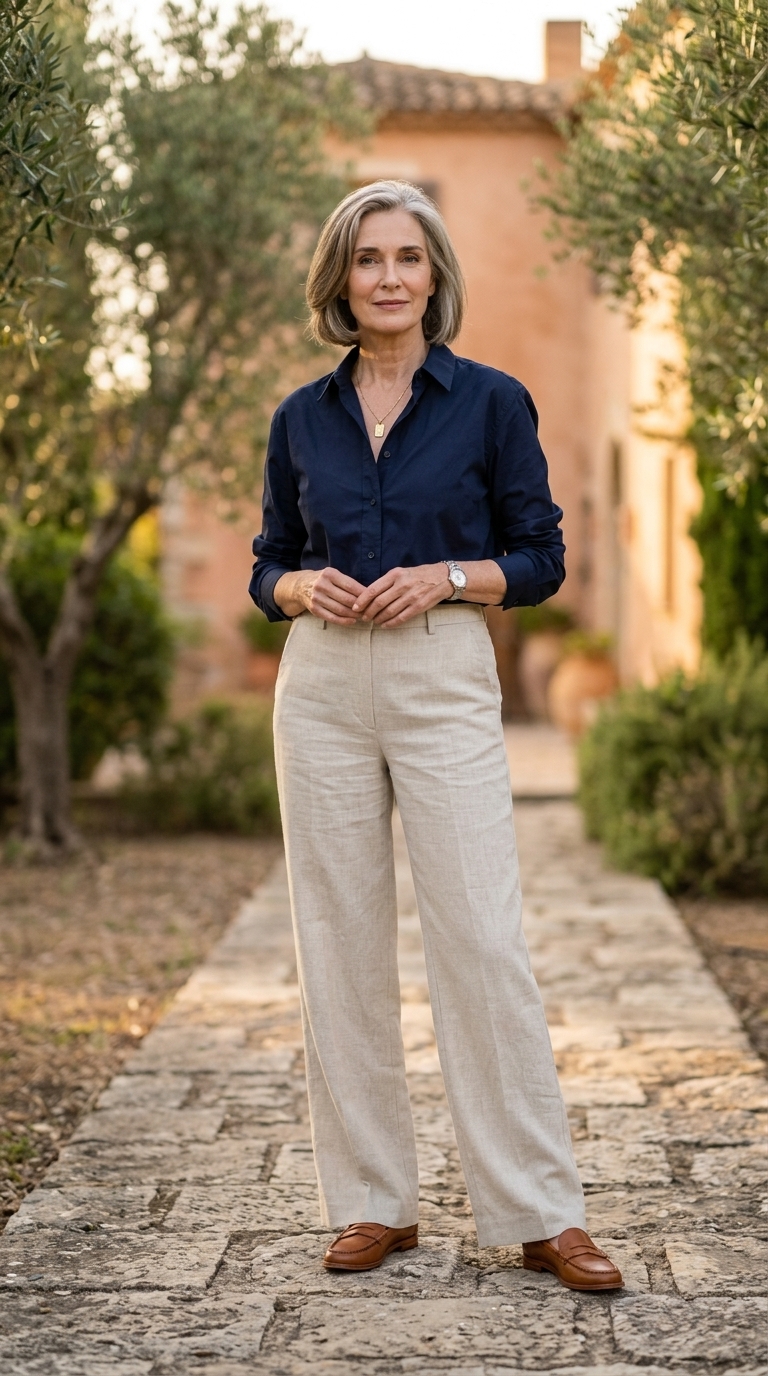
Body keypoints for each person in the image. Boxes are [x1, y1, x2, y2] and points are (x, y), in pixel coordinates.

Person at [249, 180, 622, 1292]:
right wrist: (297, 584)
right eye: (369, 259)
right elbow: (266, 560)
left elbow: (542, 556)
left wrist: (449, 576)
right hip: (319, 685)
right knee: (339, 942)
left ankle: (541, 1208)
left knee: (481, 937)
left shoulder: (492, 403)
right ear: (341, 280)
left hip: (444, 670)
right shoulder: (298, 418)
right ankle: (373, 1199)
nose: (391, 276)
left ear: (436, 274)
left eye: (410, 256)